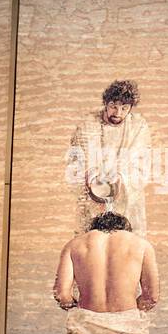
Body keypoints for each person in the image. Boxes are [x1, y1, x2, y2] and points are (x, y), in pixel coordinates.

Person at [53, 211, 159, 334]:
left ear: (94, 227)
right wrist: (133, 309)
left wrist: (76, 307)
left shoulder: (74, 245)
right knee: (135, 323)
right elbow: (151, 297)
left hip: (87, 328)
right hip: (127, 330)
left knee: (79, 321)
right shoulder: (141, 245)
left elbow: (62, 295)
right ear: (125, 228)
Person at [66, 80, 152, 236]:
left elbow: (142, 164)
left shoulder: (138, 127)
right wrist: (89, 174)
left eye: (124, 108)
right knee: (92, 245)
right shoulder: (87, 124)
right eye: (113, 106)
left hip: (126, 200)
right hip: (92, 196)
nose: (118, 113)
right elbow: (75, 160)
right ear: (105, 103)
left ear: (130, 108)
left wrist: (120, 178)